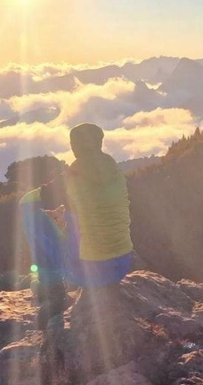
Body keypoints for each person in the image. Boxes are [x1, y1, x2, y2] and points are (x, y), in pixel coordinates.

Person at [20, 123, 133, 329]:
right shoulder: (115, 172)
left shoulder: (69, 179)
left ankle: (52, 287)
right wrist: (66, 212)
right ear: (100, 143)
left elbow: (32, 200)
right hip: (122, 263)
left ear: (74, 147)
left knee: (28, 209)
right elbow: (91, 204)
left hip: (91, 271)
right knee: (80, 217)